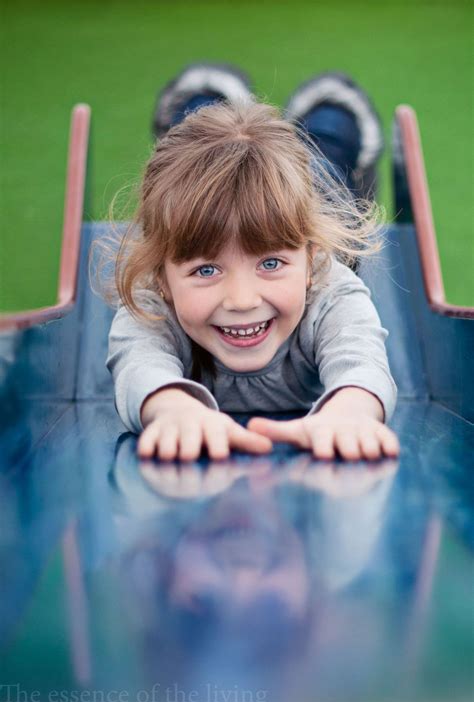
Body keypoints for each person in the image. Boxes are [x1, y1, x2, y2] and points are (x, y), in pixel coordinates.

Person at [105, 63, 400, 463]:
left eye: (271, 264)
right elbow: (139, 365)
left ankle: (329, 118)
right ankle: (203, 112)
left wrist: (350, 410)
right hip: (228, 211)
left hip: (316, 202)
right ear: (161, 278)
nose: (242, 300)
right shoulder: (151, 304)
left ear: (312, 262)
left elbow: (361, 360)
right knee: (191, 173)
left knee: (329, 184)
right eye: (206, 270)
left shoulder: (332, 289)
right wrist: (173, 409)